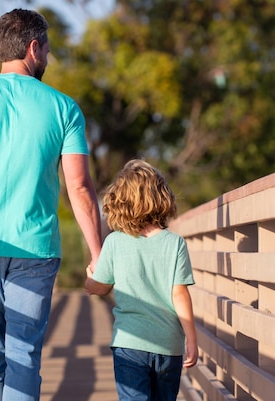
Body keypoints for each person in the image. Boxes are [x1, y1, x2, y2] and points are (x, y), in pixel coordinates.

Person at [0, 8, 103, 401]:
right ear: (34, 48)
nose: (46, 56)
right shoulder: (64, 108)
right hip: (36, 251)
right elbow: (78, 187)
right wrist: (99, 253)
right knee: (23, 355)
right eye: (46, 48)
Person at [85, 159, 198, 401]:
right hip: (168, 346)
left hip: (130, 343)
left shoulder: (115, 242)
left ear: (119, 201)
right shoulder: (175, 243)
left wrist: (89, 281)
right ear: (162, 197)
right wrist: (192, 339)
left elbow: (101, 287)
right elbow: (180, 295)